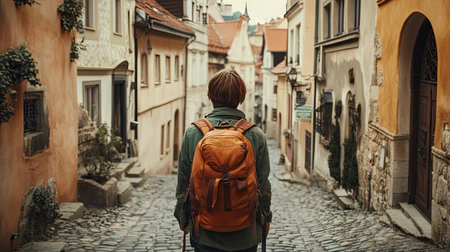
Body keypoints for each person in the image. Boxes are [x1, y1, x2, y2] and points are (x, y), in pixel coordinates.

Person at [174, 69, 272, 252]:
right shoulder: (256, 135)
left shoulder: (193, 133)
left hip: (204, 231)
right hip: (246, 232)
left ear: (210, 95)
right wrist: (265, 217)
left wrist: (183, 216)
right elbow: (263, 184)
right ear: (241, 97)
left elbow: (184, 181)